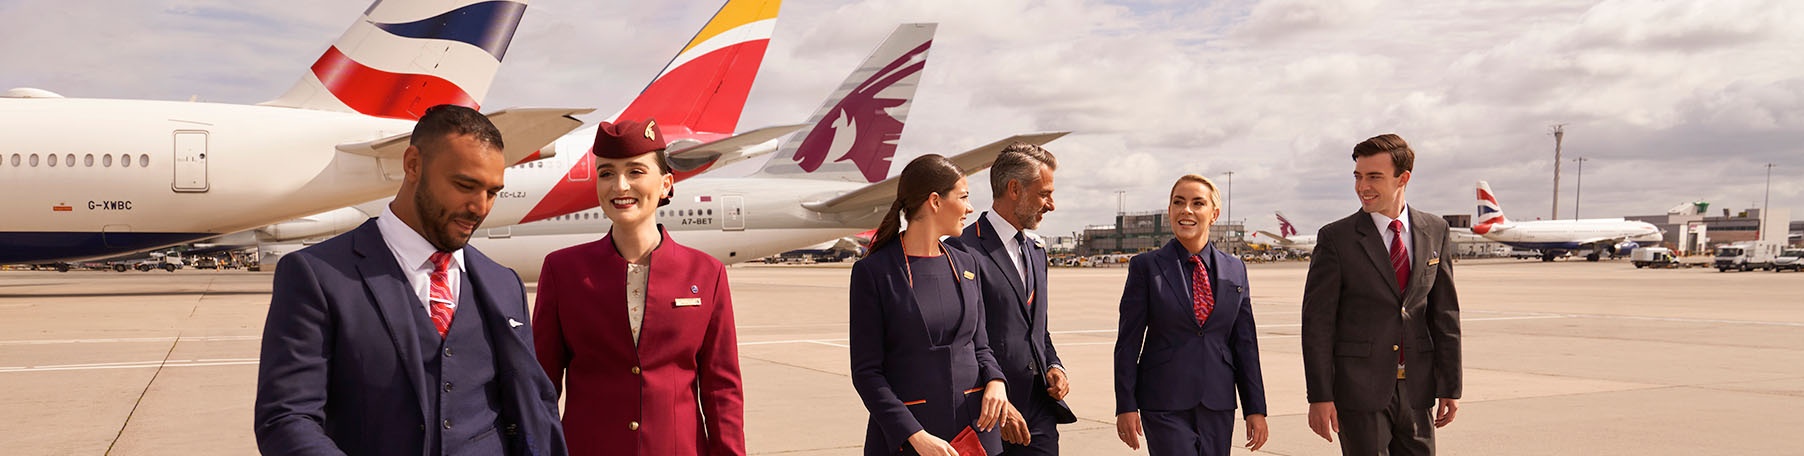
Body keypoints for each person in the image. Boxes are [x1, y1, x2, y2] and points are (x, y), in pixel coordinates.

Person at [254, 104, 565, 456]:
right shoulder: (317, 275)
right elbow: (285, 418)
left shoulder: (504, 285)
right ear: (413, 164)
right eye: (465, 185)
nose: (480, 207)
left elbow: (533, 408)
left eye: (492, 192)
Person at [533, 119, 744, 455]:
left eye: (635, 172)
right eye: (606, 173)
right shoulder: (563, 271)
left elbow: (722, 390)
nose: (620, 185)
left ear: (665, 184)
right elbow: (540, 386)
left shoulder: (706, 273)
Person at [1302, 134, 1462, 455]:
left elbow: (1444, 314)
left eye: (1374, 177)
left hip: (1418, 389)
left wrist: (1450, 386)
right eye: (1358, 177)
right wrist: (1320, 395)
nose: (1363, 186)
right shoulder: (1337, 238)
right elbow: (1318, 325)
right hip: (1359, 390)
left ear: (1403, 178)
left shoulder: (1435, 229)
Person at [849, 154, 1009, 456]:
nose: (970, 208)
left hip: (974, 432)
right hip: (908, 439)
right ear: (935, 201)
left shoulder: (966, 263)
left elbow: (981, 347)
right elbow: (867, 373)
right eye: (963, 197)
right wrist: (914, 436)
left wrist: (996, 381)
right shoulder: (873, 272)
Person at [1113, 174, 1269, 455]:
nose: (1187, 210)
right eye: (1178, 202)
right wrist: (1125, 404)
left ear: (1214, 214)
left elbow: (1245, 344)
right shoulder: (1146, 267)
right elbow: (1127, 343)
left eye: (1198, 203)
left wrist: (1255, 408)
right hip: (1163, 401)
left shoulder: (1235, 269)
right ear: (1170, 210)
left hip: (1218, 402)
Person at [944, 143, 1075, 455]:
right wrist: (996, 403)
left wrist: (1054, 364)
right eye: (1044, 193)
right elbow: (960, 341)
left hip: (1040, 412)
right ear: (1014, 188)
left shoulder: (1037, 251)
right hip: (987, 412)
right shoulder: (962, 249)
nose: (1051, 204)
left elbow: (1037, 328)